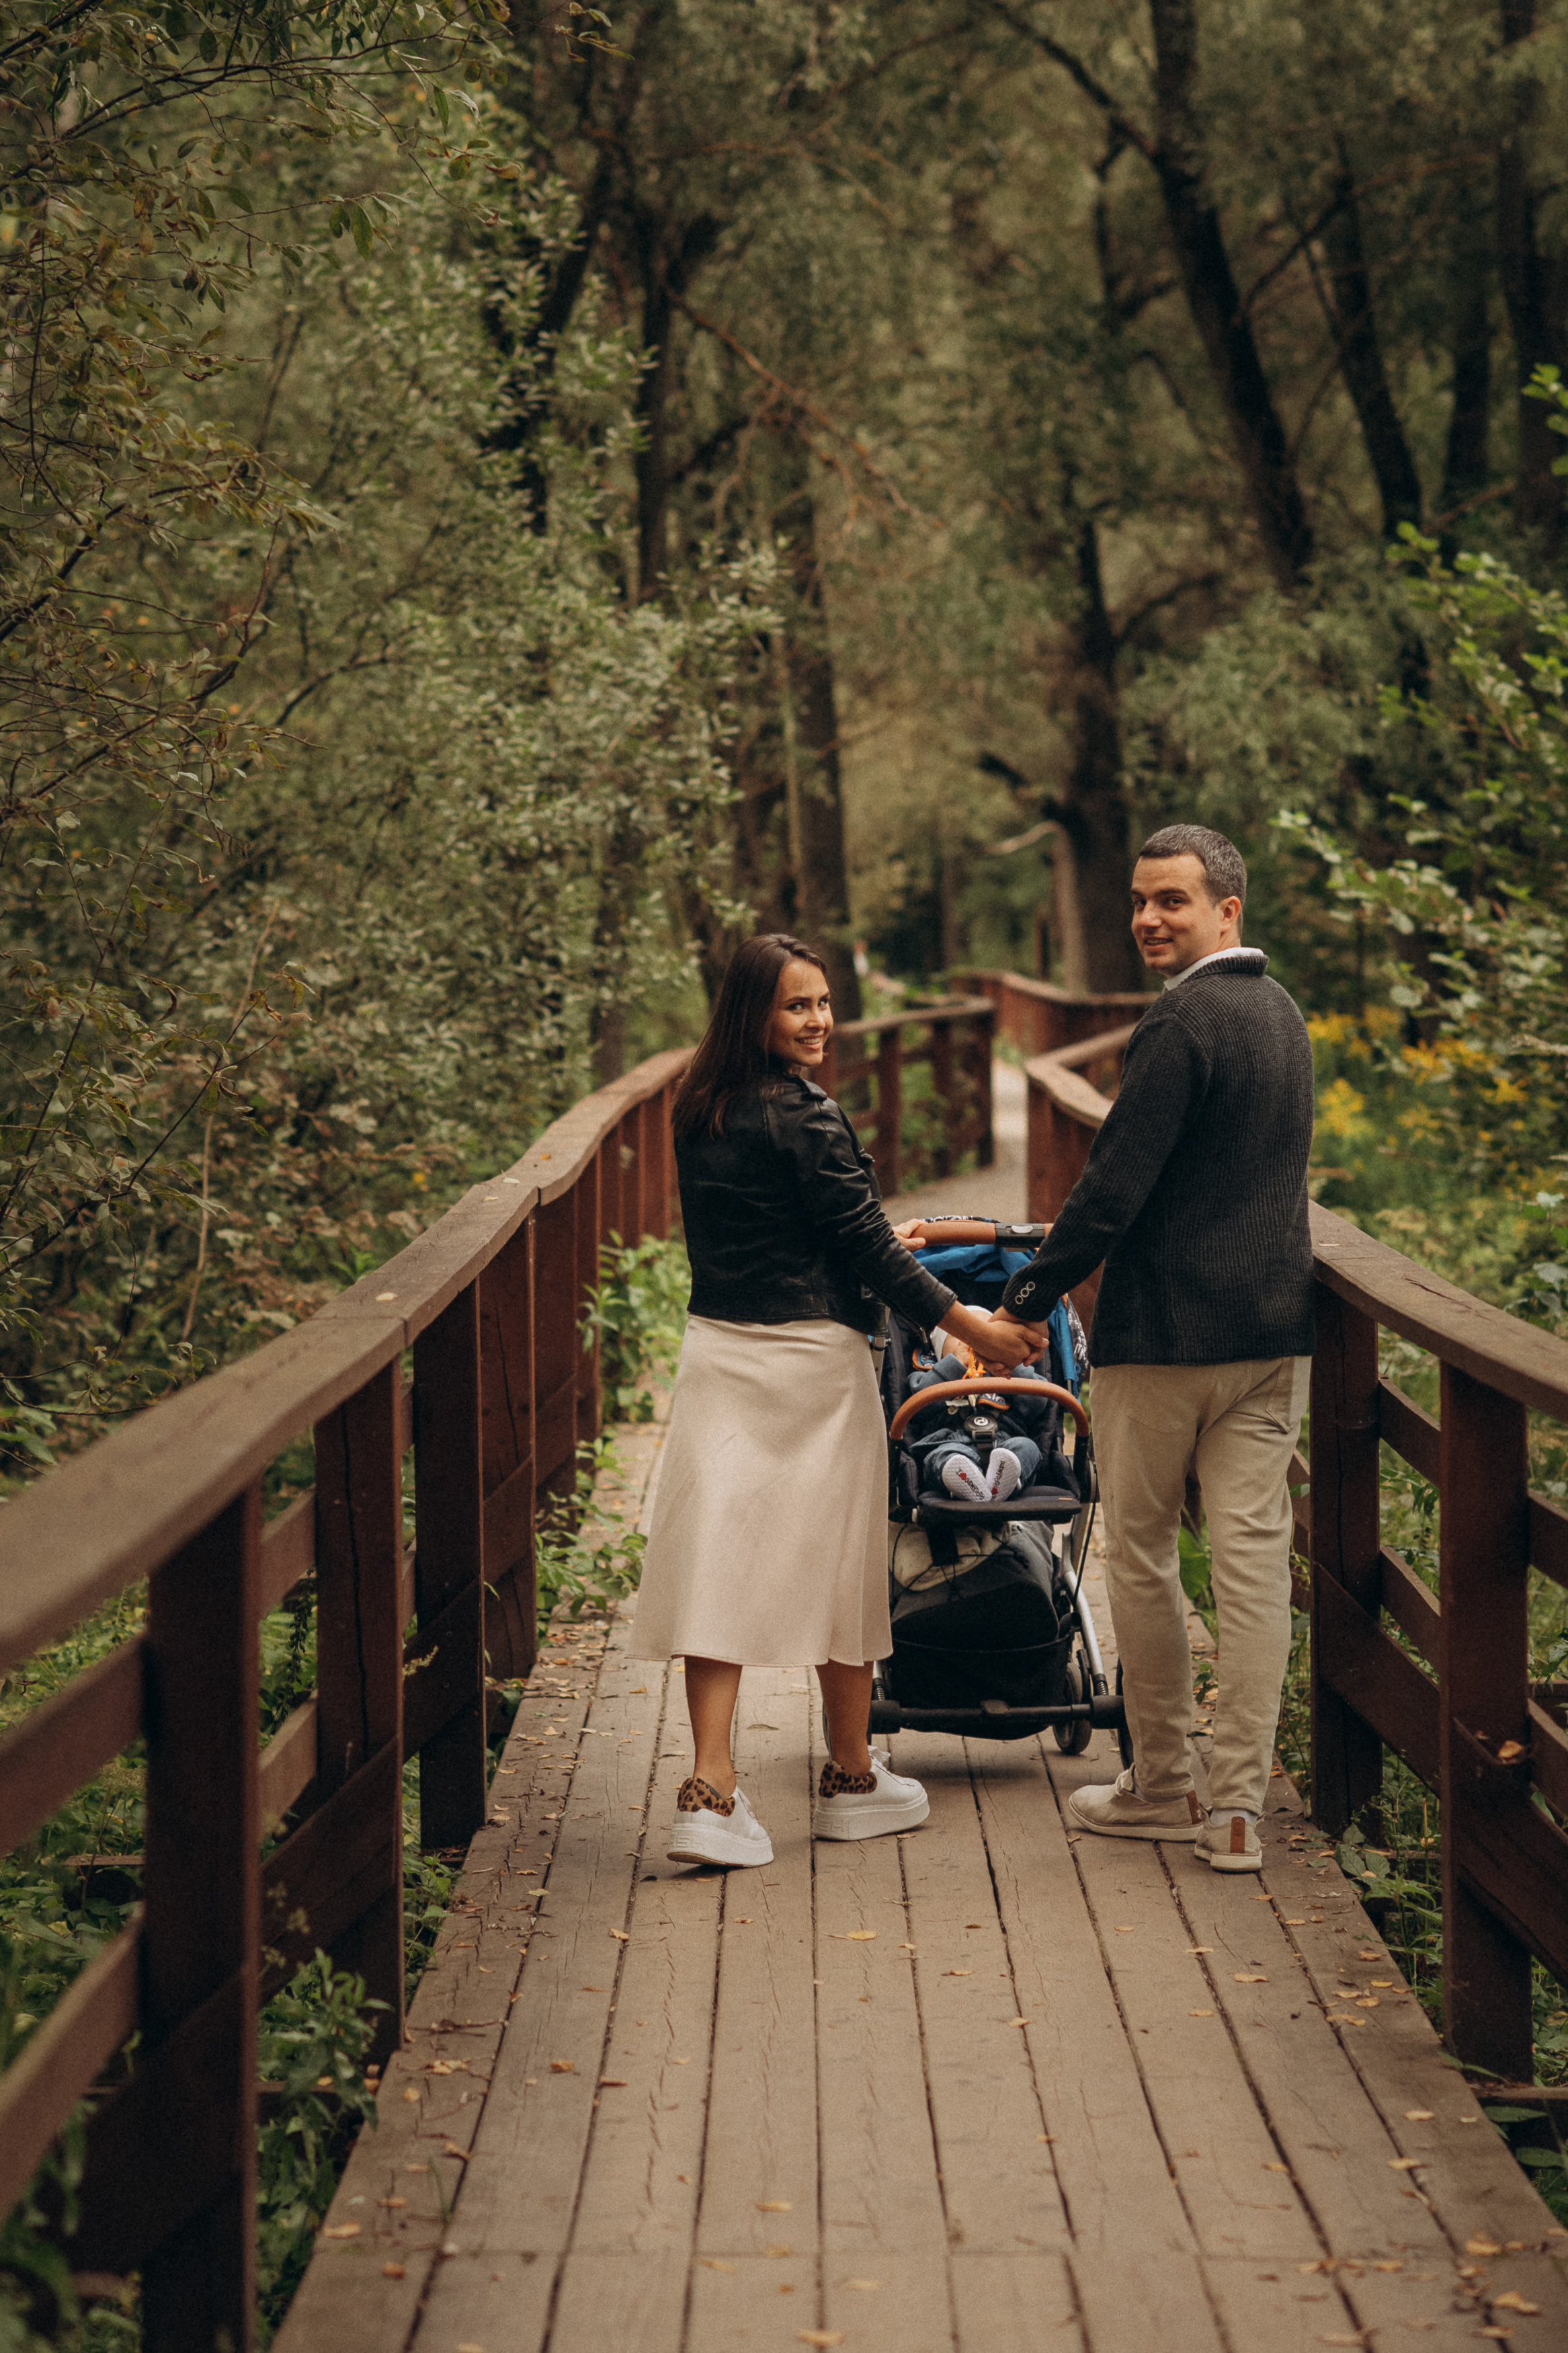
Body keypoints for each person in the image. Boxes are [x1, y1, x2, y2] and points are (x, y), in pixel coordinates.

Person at [629, 932, 1038, 1869]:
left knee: (716, 1561)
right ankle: (852, 1778)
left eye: (821, 1002)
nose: (818, 1020)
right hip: (813, 1360)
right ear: (754, 1013)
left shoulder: (699, 1105)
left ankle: (710, 1789)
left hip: (720, 1350)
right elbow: (866, 1248)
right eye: (796, 1005)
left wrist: (872, 1238)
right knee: (844, 1563)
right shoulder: (805, 1114)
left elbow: (806, 1224)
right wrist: (973, 1330)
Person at [993, 825, 1315, 1875]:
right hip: (1271, 1336)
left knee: (1139, 1555)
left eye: (1170, 900)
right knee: (1252, 1568)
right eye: (1138, 900)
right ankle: (1238, 1813)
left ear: (1227, 909)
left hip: (1166, 1338)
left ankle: (1163, 1785)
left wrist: (1026, 1295)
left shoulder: (1179, 1024)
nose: (1146, 918)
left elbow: (1111, 1192)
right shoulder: (1282, 1015)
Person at [904, 1322, 1055, 1502]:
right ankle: (964, 1481)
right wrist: (955, 1364)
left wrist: (1011, 1363)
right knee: (943, 1456)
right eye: (963, 1336)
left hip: (1006, 1442)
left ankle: (1004, 1483)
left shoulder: (1009, 1374)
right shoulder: (932, 1375)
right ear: (940, 1351)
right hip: (951, 1442)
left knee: (1027, 1447)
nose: (975, 1341)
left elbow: (1039, 1400)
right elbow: (917, 1408)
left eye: (987, 1336)